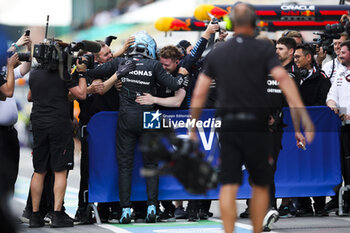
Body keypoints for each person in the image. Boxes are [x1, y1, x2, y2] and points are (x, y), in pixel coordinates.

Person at [189, 3, 314, 233]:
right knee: (260, 181)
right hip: (257, 125)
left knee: (229, 184)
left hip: (228, 124)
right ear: (254, 23)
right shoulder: (263, 50)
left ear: (231, 24)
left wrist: (192, 128)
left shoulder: (220, 51)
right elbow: (285, 82)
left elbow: (199, 91)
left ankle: (229, 230)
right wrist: (302, 115)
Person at [85, 31, 188, 224]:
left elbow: (92, 71)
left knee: (125, 166)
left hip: (127, 117)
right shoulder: (155, 65)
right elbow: (175, 83)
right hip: (149, 116)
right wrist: (183, 73)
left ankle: (125, 210)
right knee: (151, 165)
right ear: (149, 48)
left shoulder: (119, 63)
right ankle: (151, 207)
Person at [27, 41, 88, 228]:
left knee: (39, 171)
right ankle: (56, 214)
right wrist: (82, 73)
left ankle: (35, 216)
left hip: (38, 123)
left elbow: (30, 96)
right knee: (60, 171)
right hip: (59, 126)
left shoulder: (35, 73)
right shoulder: (63, 74)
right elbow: (82, 94)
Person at [326, 40, 350, 215]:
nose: (339, 55)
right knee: (345, 165)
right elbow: (331, 95)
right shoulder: (341, 73)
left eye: (343, 52)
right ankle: (347, 201)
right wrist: (332, 104)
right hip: (343, 127)